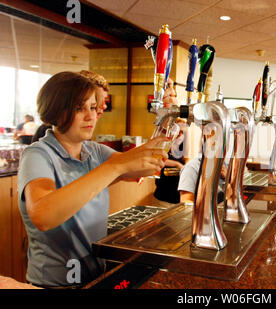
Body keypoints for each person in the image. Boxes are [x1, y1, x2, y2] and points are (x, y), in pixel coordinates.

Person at [18, 71, 168, 288]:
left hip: (96, 276)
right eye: (80, 108)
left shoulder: (95, 151)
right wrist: (114, 167)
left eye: (92, 107)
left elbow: (143, 166)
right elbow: (44, 215)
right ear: (56, 111)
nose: (91, 116)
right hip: (55, 284)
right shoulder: (38, 155)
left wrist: (167, 125)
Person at [153, 78, 186, 204]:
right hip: (164, 190)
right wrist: (177, 165)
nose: (173, 98)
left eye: (175, 95)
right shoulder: (161, 128)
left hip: (179, 189)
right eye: (169, 96)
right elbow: (157, 157)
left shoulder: (182, 126)